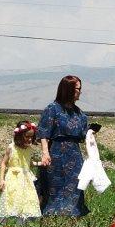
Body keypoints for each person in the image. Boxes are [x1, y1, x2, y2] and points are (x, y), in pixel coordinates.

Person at [37, 76, 90, 217]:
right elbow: (43, 133)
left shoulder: (80, 114)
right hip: (56, 155)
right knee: (55, 189)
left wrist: (91, 133)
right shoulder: (53, 109)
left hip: (74, 156)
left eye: (80, 89)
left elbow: (83, 135)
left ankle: (72, 220)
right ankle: (51, 220)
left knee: (74, 190)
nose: (79, 92)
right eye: (77, 89)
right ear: (68, 89)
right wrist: (45, 153)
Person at [0, 120, 41, 224]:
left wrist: (40, 164)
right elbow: (4, 163)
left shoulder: (29, 150)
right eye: (27, 136)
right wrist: (1, 180)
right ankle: (2, 224)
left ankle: (21, 226)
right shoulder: (11, 148)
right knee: (10, 200)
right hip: (13, 179)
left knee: (25, 201)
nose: (29, 139)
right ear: (19, 135)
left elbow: (29, 164)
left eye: (31, 137)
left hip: (26, 180)